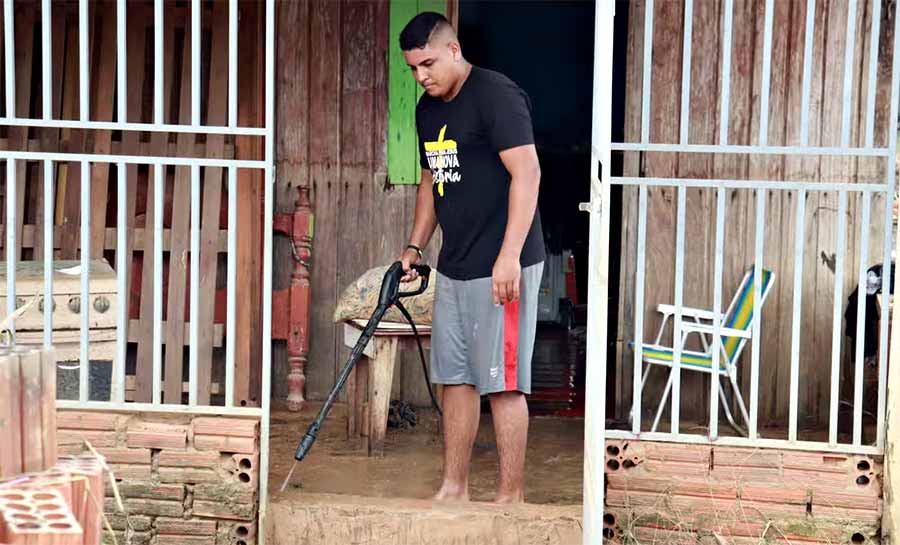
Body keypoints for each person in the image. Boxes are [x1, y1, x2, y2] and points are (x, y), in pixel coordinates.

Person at [396, 12, 545, 504]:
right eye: (414, 68)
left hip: (504, 264)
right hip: (456, 262)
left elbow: (527, 174)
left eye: (429, 64)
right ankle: (453, 488)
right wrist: (416, 246)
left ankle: (511, 495)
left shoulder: (497, 95)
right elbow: (429, 183)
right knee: (455, 378)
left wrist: (509, 257)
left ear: (454, 50)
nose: (422, 76)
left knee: (503, 382)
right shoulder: (426, 109)